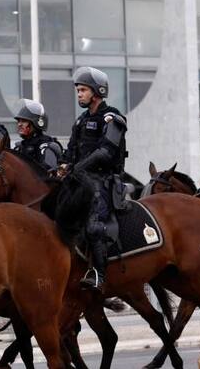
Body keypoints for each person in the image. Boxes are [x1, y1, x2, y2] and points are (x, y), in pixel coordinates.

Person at [55, 66, 127, 292]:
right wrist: (63, 166)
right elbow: (70, 151)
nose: (79, 95)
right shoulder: (80, 121)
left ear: (97, 91)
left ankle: (99, 274)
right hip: (79, 178)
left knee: (94, 226)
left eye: (83, 90)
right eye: (78, 90)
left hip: (102, 179)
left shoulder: (112, 117)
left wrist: (77, 167)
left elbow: (106, 153)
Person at [12, 99, 62, 172]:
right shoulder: (19, 147)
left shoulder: (46, 147)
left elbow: (48, 174)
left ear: (37, 123)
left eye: (24, 121)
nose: (19, 124)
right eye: (18, 121)